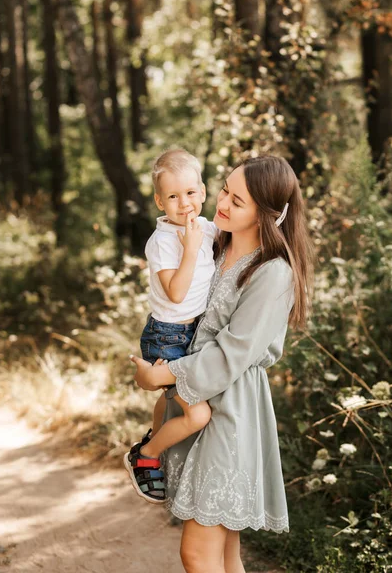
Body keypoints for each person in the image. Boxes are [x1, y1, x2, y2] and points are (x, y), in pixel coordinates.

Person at [130, 155, 314, 573]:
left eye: (239, 200)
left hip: (232, 409)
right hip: (198, 399)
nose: (224, 202)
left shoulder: (273, 272)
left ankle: (144, 451)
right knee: (225, 553)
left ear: (269, 214)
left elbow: (235, 352)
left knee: (197, 553)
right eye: (225, 189)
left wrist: (163, 374)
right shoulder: (215, 245)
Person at [124, 148, 217, 504]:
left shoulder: (206, 228)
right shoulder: (162, 242)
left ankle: (154, 437)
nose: (185, 203)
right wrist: (190, 250)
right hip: (167, 336)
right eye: (174, 196)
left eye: (191, 193)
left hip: (194, 333)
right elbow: (176, 294)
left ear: (203, 192)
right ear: (160, 201)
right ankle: (145, 456)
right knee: (198, 414)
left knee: (169, 401)